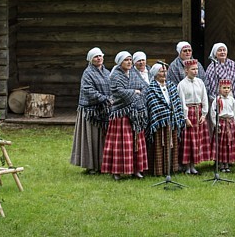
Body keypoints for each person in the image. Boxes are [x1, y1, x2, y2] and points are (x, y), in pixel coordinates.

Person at [101, 51, 149, 180]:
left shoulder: (134, 73)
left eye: (130, 60)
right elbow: (118, 91)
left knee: (136, 142)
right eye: (126, 60)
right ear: (120, 62)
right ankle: (116, 171)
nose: (129, 62)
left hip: (135, 113)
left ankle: (136, 169)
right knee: (120, 143)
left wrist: (139, 94)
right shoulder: (115, 75)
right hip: (121, 114)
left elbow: (144, 87)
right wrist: (134, 91)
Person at [70, 47, 112, 173]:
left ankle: (103, 164)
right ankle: (91, 165)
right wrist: (103, 98)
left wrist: (110, 99)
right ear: (90, 59)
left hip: (105, 110)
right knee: (92, 139)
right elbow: (87, 90)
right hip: (90, 111)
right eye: (96, 57)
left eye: (100, 56)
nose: (99, 58)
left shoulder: (107, 72)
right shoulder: (87, 73)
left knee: (103, 138)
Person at [145, 62, 186, 176]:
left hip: (172, 122)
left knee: (172, 145)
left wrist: (175, 114)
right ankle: (158, 170)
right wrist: (163, 113)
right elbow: (152, 105)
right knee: (159, 146)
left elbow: (176, 102)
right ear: (155, 74)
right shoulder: (151, 88)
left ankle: (172, 168)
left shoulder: (171, 86)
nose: (164, 74)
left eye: (165, 71)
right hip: (159, 123)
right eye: (161, 71)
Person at [177, 59, 210, 174]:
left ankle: (193, 166)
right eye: (193, 69)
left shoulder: (200, 82)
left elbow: (204, 98)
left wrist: (204, 114)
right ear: (186, 70)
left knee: (197, 140)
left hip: (198, 113)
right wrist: (185, 118)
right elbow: (182, 102)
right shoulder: (182, 84)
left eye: (196, 69)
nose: (195, 71)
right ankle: (186, 166)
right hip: (189, 114)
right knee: (188, 141)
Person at [209, 79, 235, 173]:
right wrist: (216, 124)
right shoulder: (217, 100)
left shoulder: (232, 100)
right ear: (219, 89)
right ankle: (220, 163)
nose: (226, 90)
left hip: (230, 124)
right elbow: (213, 113)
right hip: (221, 124)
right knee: (221, 145)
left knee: (228, 144)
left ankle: (227, 163)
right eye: (224, 88)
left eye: (228, 88)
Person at [204, 42, 235, 116]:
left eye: (224, 50)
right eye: (219, 50)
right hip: (219, 99)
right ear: (215, 53)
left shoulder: (233, 65)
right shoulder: (212, 67)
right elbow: (211, 87)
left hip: (234, 98)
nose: (222, 52)